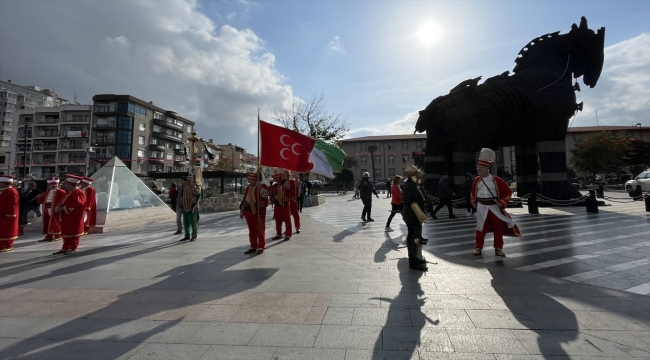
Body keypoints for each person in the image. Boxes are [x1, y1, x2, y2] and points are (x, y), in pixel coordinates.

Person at [471, 148, 521, 256]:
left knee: (497, 227)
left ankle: (498, 248)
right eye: (478, 169)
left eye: (480, 169)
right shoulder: (476, 180)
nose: (478, 171)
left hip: (493, 207)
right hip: (481, 207)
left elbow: (507, 191)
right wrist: (473, 201)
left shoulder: (496, 180)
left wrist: (502, 202)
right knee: (480, 227)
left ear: (486, 169)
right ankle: (478, 247)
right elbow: (472, 193)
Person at [401, 164, 428, 271]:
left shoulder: (411, 184)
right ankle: (413, 262)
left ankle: (415, 258)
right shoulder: (410, 186)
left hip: (412, 215)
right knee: (414, 239)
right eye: (416, 174)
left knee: (414, 238)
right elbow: (413, 200)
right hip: (412, 216)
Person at [53, 175, 86, 255]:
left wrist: (63, 208)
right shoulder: (70, 192)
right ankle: (65, 247)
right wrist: (58, 207)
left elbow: (78, 204)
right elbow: (63, 202)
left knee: (73, 232)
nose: (65, 185)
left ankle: (73, 247)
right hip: (67, 216)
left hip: (73, 217)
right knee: (66, 231)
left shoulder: (78, 192)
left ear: (72, 184)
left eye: (67, 184)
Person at [240, 172, 270, 254]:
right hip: (248, 211)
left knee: (260, 229)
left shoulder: (261, 186)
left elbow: (266, 195)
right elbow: (245, 199)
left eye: (250, 179)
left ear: (254, 180)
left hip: (258, 211)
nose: (249, 180)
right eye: (249, 179)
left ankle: (261, 246)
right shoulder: (248, 188)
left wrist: (260, 188)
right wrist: (242, 210)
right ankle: (253, 245)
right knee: (251, 229)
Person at [36, 177, 66, 242]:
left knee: (55, 222)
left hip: (54, 209)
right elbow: (41, 201)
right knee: (47, 223)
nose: (54, 185)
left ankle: (58, 235)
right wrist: (39, 197)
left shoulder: (61, 192)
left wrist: (59, 207)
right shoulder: (47, 192)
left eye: (55, 184)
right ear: (49, 185)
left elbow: (64, 200)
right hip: (47, 209)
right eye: (52, 184)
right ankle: (49, 236)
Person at [179, 175, 203, 242]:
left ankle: (194, 236)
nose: (181, 182)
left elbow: (197, 193)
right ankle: (187, 236)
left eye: (182, 181)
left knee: (193, 222)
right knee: (185, 222)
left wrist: (192, 185)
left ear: (186, 180)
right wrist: (180, 203)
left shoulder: (196, 186)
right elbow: (182, 197)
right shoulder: (184, 187)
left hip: (192, 207)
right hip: (185, 206)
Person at [0, 175, 19, 253]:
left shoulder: (11, 191)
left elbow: (12, 204)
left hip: (6, 215)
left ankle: (7, 244)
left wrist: (10, 214)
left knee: (7, 230)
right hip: (1, 214)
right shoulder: (4, 190)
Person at [271, 173, 292, 241]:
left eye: (278, 180)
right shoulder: (275, 186)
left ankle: (288, 234)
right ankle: (278, 234)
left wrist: (285, 179)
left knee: (287, 220)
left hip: (285, 205)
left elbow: (288, 187)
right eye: (276, 180)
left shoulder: (285, 184)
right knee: (277, 220)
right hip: (277, 205)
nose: (277, 181)